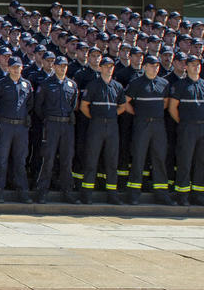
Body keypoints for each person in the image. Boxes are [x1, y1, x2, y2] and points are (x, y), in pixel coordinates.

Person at [123, 54, 171, 205]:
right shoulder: (136, 83)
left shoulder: (164, 83)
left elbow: (165, 103)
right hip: (142, 124)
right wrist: (138, 114)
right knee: (138, 157)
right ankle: (134, 194)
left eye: (157, 66)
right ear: (144, 67)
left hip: (158, 125)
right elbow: (125, 103)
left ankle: (162, 193)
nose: (155, 68)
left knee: (159, 158)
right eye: (152, 65)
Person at [79, 56, 126, 204]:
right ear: (100, 68)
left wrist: (111, 115)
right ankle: (86, 194)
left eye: (111, 66)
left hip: (112, 126)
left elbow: (122, 106)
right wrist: (95, 118)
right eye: (106, 66)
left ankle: (112, 194)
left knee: (112, 161)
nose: (109, 68)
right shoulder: (93, 85)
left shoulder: (117, 86)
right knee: (91, 159)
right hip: (96, 125)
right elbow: (84, 106)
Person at [33, 56, 79, 204]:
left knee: (67, 159)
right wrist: (47, 119)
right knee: (48, 158)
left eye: (65, 66)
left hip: (66, 125)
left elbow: (73, 105)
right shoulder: (46, 84)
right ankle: (42, 191)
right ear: (54, 66)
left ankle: (67, 191)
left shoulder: (71, 85)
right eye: (60, 65)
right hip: (52, 124)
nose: (63, 68)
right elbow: (39, 106)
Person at [0, 57, 34, 203]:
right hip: (5, 125)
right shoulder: (1, 84)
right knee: (1, 159)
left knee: (20, 160)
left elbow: (30, 104)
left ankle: (22, 191)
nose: (16, 69)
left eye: (18, 67)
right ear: (8, 68)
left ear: (22, 68)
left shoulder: (27, 85)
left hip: (21, 127)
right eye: (13, 67)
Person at [168, 55, 204, 206]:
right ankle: (182, 194)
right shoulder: (181, 85)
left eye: (198, 65)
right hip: (187, 127)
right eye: (193, 65)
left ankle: (198, 194)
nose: (196, 67)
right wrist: (183, 123)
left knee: (201, 162)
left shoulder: (203, 84)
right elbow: (172, 108)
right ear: (186, 67)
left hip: (202, 127)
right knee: (185, 161)